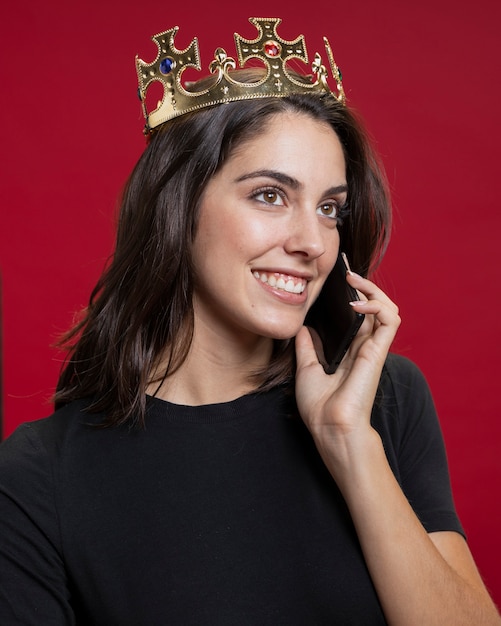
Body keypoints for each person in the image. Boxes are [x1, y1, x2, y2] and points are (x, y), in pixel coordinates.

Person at [0, 17, 499, 625]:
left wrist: (349, 442)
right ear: (177, 207)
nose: (313, 242)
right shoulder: (42, 476)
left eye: (329, 208)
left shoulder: (384, 403)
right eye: (269, 195)